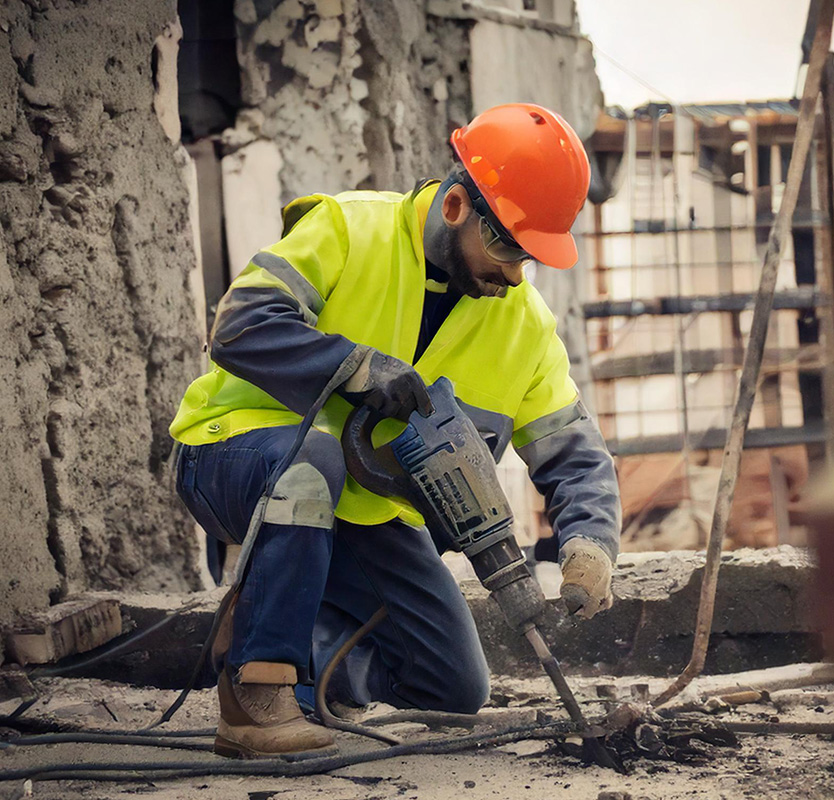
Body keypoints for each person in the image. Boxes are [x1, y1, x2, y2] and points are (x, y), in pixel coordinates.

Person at [169, 103, 621, 758]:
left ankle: (302, 661)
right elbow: (239, 327)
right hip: (234, 454)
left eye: (530, 257)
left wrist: (591, 540)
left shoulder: (524, 325)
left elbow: (574, 452)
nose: (515, 274)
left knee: (455, 682)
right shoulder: (352, 229)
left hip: (363, 513)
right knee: (312, 462)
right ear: (457, 205)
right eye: (505, 247)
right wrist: (351, 367)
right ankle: (256, 691)